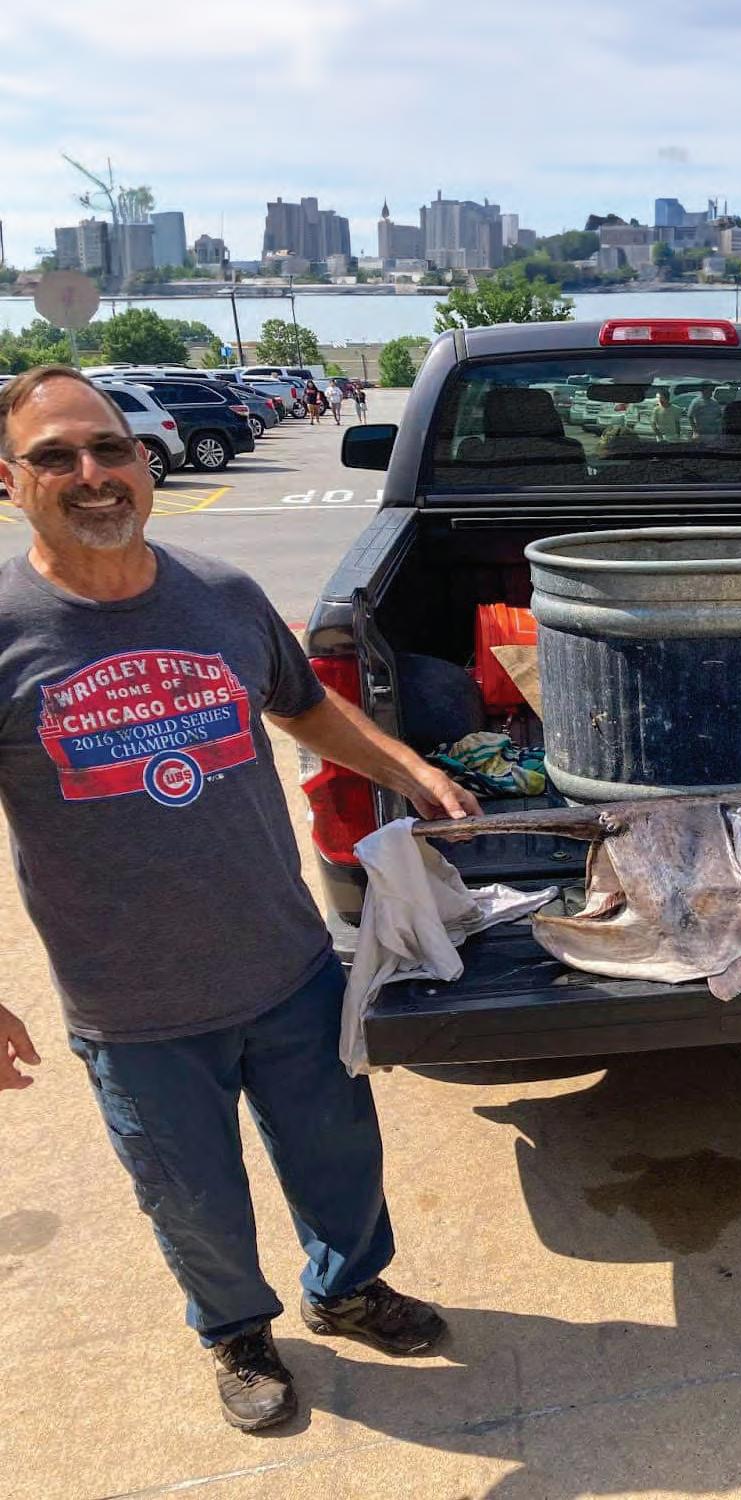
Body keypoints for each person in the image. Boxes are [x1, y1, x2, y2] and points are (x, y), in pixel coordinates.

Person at [0, 367, 482, 1433]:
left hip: (286, 964)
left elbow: (304, 708)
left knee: (339, 1156)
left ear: (144, 462)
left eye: (110, 448)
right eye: (55, 457)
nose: (92, 474)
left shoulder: (218, 593)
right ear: (10, 479)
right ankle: (236, 1332)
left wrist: (408, 769)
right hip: (133, 1005)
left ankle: (346, 1289)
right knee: (192, 1196)